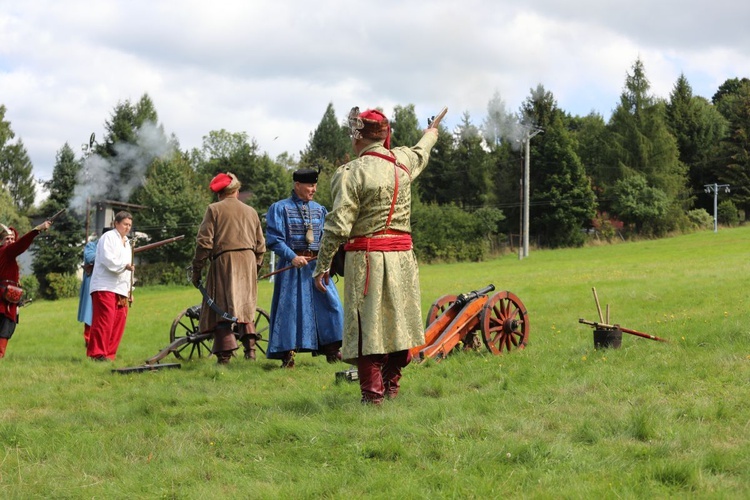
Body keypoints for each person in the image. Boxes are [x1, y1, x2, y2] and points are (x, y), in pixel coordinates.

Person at [314, 106, 445, 404]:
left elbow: (337, 226)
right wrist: (431, 133)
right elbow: (421, 151)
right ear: (385, 135)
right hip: (403, 261)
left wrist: (322, 266)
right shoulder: (402, 162)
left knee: (366, 330)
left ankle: (372, 398)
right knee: (400, 325)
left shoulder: (350, 173)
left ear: (358, 137)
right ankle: (391, 388)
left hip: (367, 261)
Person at [265, 168, 344, 368]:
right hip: (292, 269)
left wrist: (327, 263)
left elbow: (327, 239)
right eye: (310, 185)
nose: (314, 189)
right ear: (297, 185)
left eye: (315, 185)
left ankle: (332, 350)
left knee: (331, 306)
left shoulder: (320, 210)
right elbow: (274, 240)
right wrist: (292, 257)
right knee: (290, 310)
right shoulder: (279, 208)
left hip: (317, 266)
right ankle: (287, 356)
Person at [191, 172, 266, 364]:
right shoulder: (251, 211)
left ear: (219, 193)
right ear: (237, 190)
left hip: (225, 262)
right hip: (248, 261)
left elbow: (204, 244)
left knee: (222, 307)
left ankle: (224, 357)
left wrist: (197, 270)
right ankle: (250, 352)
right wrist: (254, 268)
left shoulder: (213, 209)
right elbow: (261, 246)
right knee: (245, 307)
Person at [0, 219, 53, 358]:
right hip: (4, 298)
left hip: (7, 295)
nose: (10, 241)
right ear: (1, 241)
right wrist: (38, 229)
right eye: (7, 238)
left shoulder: (7, 254)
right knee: (6, 326)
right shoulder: (6, 251)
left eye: (12, 238)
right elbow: (21, 244)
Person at [87, 212, 135, 361]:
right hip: (104, 286)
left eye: (130, 225)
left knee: (119, 321)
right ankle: (97, 354)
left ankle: (109, 355)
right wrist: (124, 266)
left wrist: (129, 290)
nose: (127, 228)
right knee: (104, 321)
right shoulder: (108, 237)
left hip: (120, 288)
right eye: (125, 224)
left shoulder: (127, 242)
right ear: (116, 223)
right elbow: (109, 260)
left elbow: (129, 269)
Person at [77, 235, 97, 348]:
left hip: (107, 286)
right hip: (92, 285)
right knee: (90, 315)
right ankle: (89, 342)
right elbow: (90, 257)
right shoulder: (92, 245)